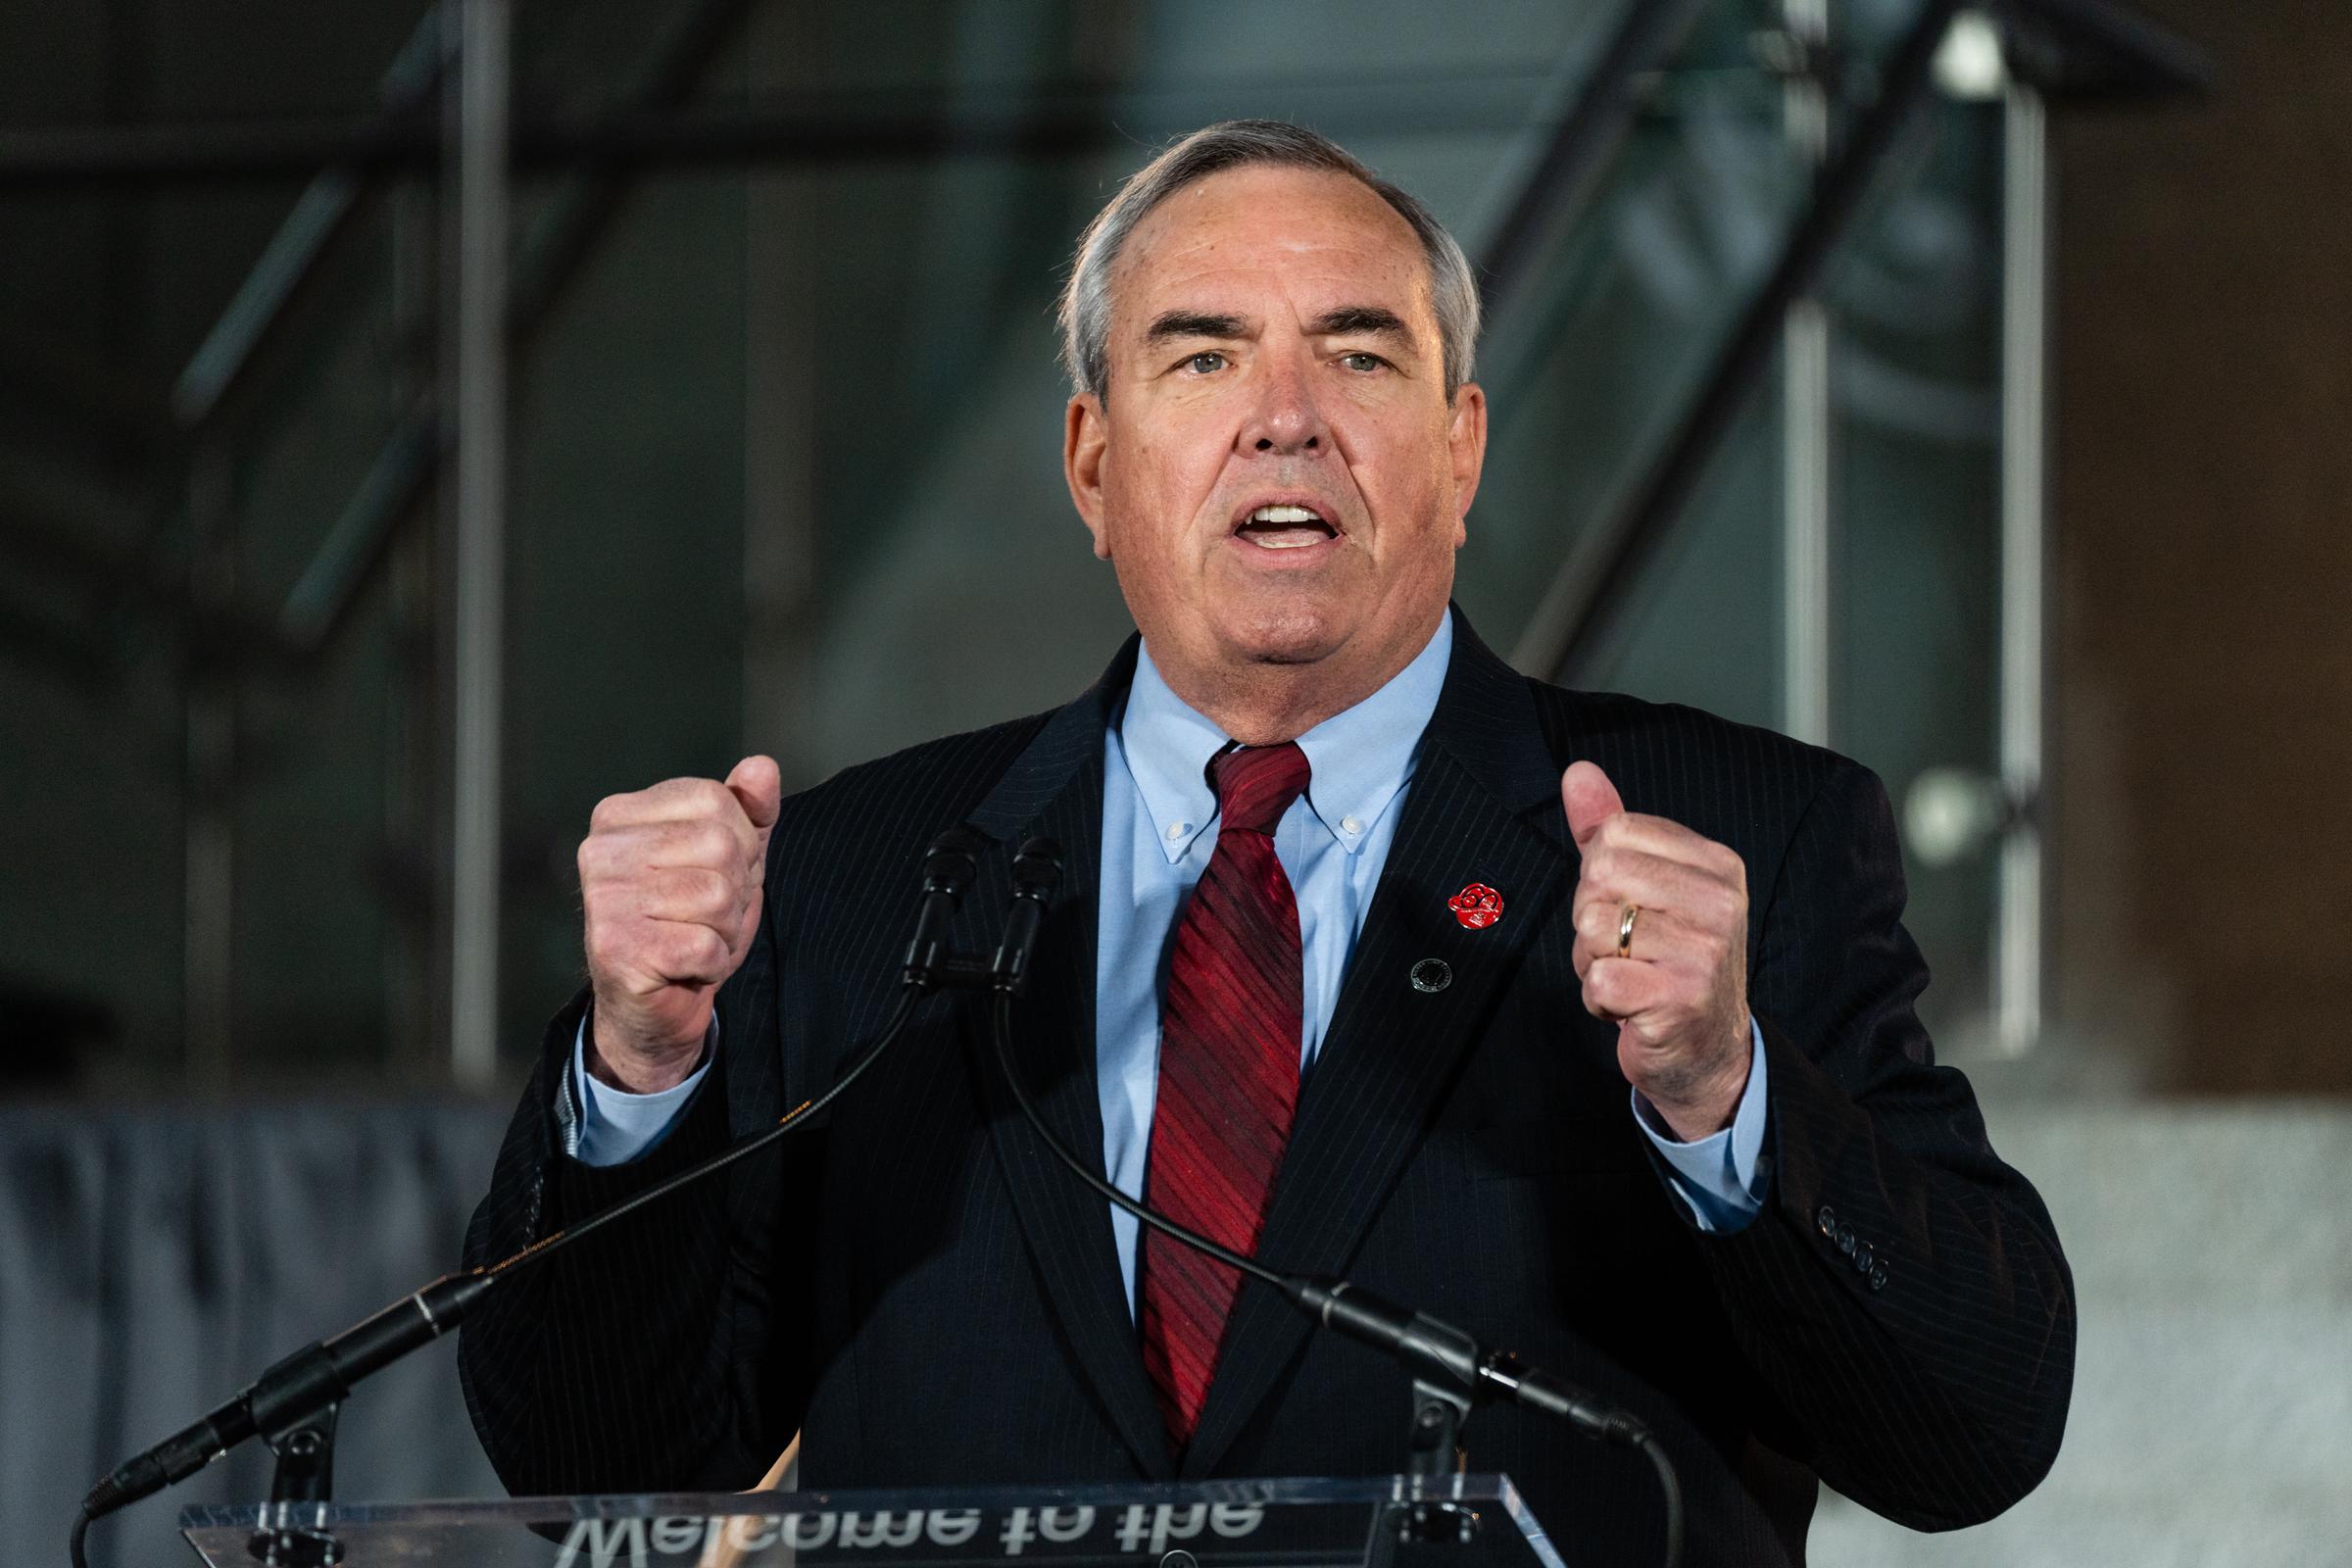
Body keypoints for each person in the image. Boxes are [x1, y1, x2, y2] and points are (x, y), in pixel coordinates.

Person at [460, 122, 2073, 1567]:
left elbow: (1969, 1434)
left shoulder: (1739, 845)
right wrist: (640, 1068)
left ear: (1462, 451)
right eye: (1205, 357)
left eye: (1361, 360)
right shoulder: (844, 880)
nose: (1285, 421)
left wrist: (1726, 1098)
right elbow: (601, 1466)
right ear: (1096, 466)